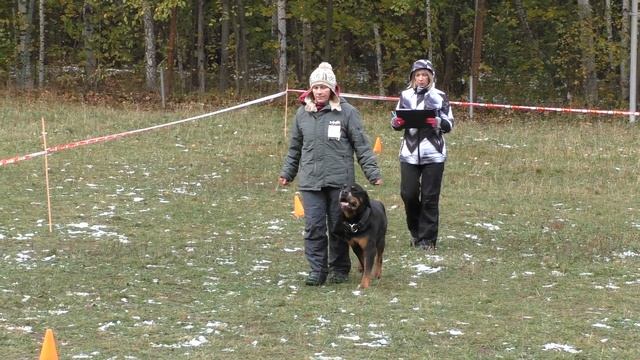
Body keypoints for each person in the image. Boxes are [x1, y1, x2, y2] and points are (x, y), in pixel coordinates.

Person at [279, 62, 383, 286]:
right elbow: (295, 148)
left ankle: (339, 269)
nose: (319, 92)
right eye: (315, 87)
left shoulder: (347, 112)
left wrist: (372, 173)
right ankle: (317, 271)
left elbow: (362, 146)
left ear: (333, 90)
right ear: (310, 90)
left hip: (340, 184)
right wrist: (288, 172)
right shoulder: (301, 114)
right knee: (314, 227)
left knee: (338, 227)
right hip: (311, 182)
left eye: (323, 88)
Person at [390, 59, 454, 251]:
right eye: (417, 75)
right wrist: (396, 123)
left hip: (433, 153)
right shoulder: (405, 95)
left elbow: (450, 124)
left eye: (425, 75)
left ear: (431, 77)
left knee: (429, 197)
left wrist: (438, 122)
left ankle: (427, 240)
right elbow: (395, 119)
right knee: (408, 194)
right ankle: (416, 231)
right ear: (412, 77)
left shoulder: (440, 96)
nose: (421, 79)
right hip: (408, 153)